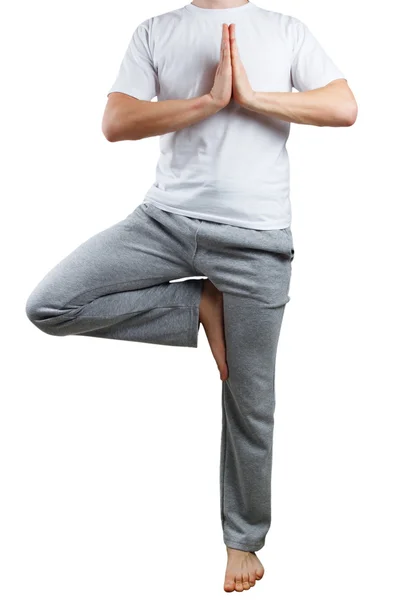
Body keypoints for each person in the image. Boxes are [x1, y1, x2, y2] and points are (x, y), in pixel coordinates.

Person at [25, 0, 357, 593]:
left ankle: (242, 543)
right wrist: (207, 102)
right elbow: (116, 121)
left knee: (250, 400)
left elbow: (343, 106)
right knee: (50, 304)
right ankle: (196, 304)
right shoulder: (156, 30)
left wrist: (252, 99)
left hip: (257, 241)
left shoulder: (284, 30)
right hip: (165, 222)